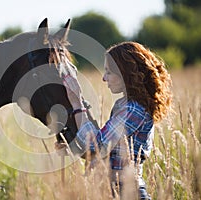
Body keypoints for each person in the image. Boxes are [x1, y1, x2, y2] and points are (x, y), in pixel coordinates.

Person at [60, 41, 173, 199]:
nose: (104, 78)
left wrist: (77, 103)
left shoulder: (134, 110)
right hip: (113, 190)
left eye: (109, 72)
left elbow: (96, 146)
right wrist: (71, 146)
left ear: (124, 73)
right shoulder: (123, 105)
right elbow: (103, 153)